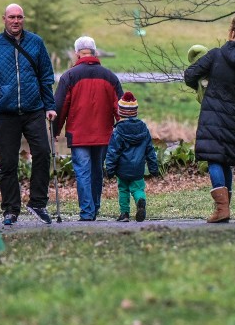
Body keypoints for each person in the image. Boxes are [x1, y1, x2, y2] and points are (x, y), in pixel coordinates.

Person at [0, 3, 57, 226]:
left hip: (34, 110)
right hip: (5, 113)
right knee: (8, 163)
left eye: (19, 17)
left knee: (42, 153)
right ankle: (11, 209)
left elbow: (46, 77)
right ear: (4, 19)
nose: (16, 21)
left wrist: (50, 106)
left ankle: (38, 203)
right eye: (12, 17)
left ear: (24, 19)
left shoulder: (36, 42)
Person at [184, 11, 235, 223]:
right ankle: (224, 209)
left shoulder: (216, 55)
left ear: (232, 31)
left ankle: (221, 208)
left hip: (212, 115)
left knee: (214, 159)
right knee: (226, 160)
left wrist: (203, 86)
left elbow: (189, 75)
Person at [54, 36, 123, 221]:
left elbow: (59, 107)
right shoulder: (110, 76)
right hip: (103, 134)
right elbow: (121, 107)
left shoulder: (69, 76)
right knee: (97, 171)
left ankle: (87, 212)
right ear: (95, 52)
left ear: (77, 53)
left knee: (83, 172)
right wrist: (123, 128)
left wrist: (55, 131)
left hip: (79, 134)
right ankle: (95, 207)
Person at [105, 91, 159, 222]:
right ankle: (140, 200)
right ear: (135, 112)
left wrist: (109, 169)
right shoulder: (143, 129)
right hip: (138, 168)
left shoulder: (118, 130)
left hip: (122, 169)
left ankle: (124, 214)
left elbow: (113, 152)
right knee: (138, 188)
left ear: (120, 112)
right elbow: (150, 150)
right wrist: (153, 168)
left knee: (123, 189)